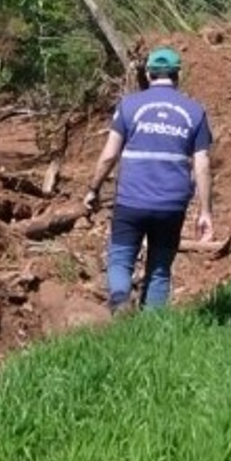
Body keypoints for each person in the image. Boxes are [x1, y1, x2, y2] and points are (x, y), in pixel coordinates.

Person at [80, 46, 215, 312]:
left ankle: (120, 300)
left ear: (148, 74)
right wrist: (205, 211)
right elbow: (202, 165)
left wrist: (93, 188)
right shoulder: (195, 112)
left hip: (131, 200)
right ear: (178, 75)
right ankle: (151, 333)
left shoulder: (129, 106)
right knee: (160, 268)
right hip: (172, 204)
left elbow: (109, 156)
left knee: (120, 257)